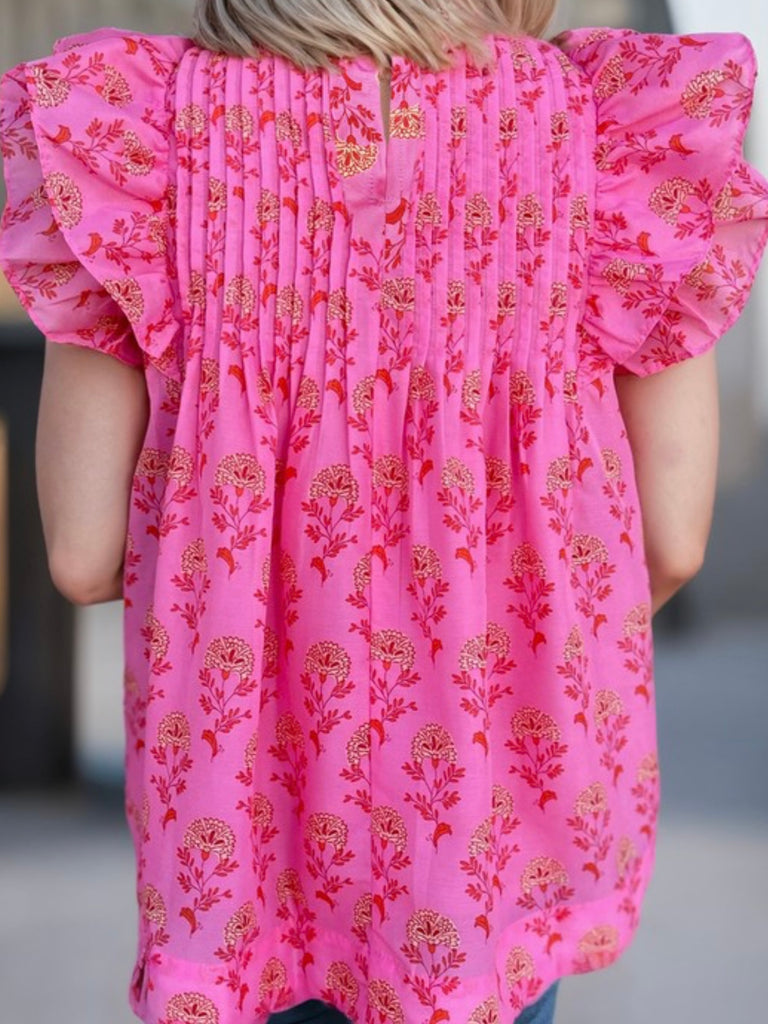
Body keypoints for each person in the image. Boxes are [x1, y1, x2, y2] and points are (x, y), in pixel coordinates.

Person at [0, 1, 766, 1021]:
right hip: (489, 847)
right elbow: (672, 537)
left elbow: (84, 555)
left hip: (241, 851)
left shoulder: (146, 130)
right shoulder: (602, 131)